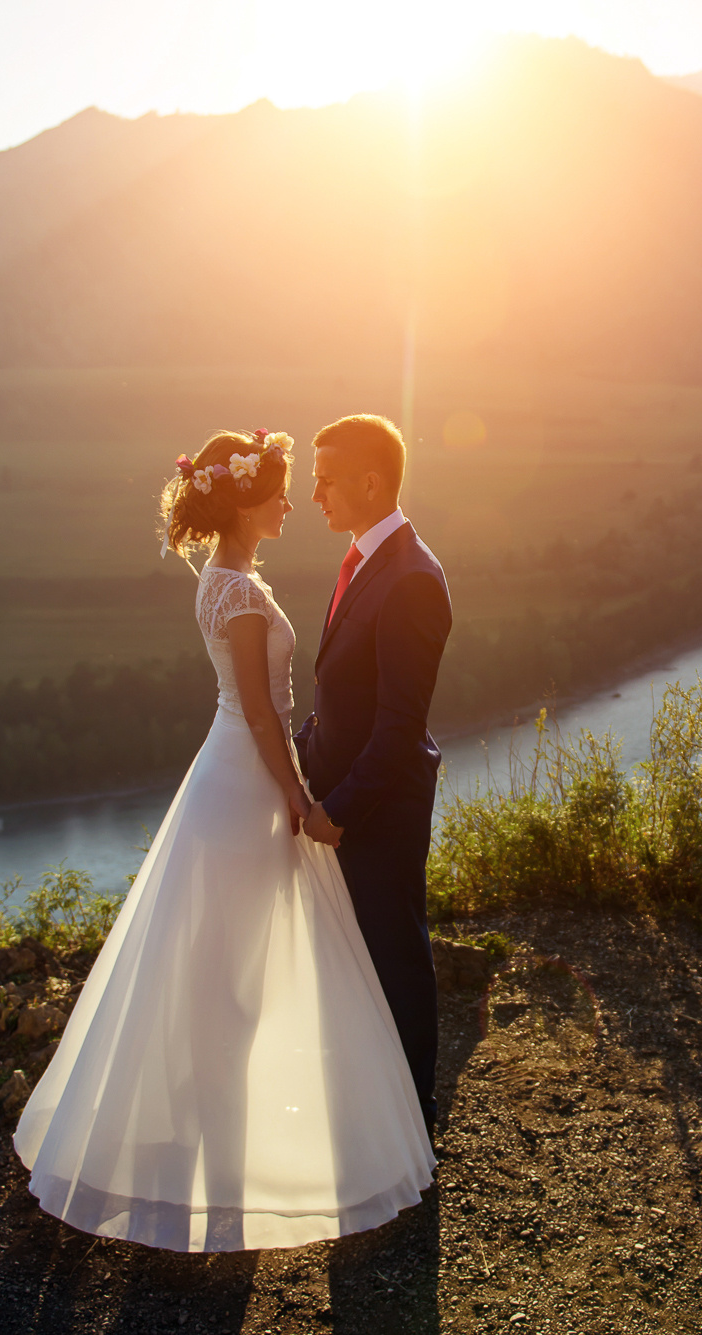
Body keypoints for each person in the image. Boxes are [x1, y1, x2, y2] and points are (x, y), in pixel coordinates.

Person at [13, 428, 434, 1253]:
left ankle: (209, 1140)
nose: (294, 502)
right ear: (244, 500)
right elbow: (258, 711)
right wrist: (295, 792)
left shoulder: (225, 580)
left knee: (213, 964)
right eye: (281, 490)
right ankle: (218, 1161)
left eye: (304, 486)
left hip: (228, 776)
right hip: (245, 784)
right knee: (231, 974)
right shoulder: (238, 594)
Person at [294, 414, 454, 1132]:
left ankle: (412, 1129)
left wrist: (340, 811)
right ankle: (365, 1114)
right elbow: (341, 699)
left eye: (326, 477)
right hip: (336, 795)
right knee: (350, 961)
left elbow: (396, 729)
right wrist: (292, 761)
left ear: (370, 481)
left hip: (378, 811)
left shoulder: (413, 578)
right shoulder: (362, 559)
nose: (314, 491)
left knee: (394, 957)